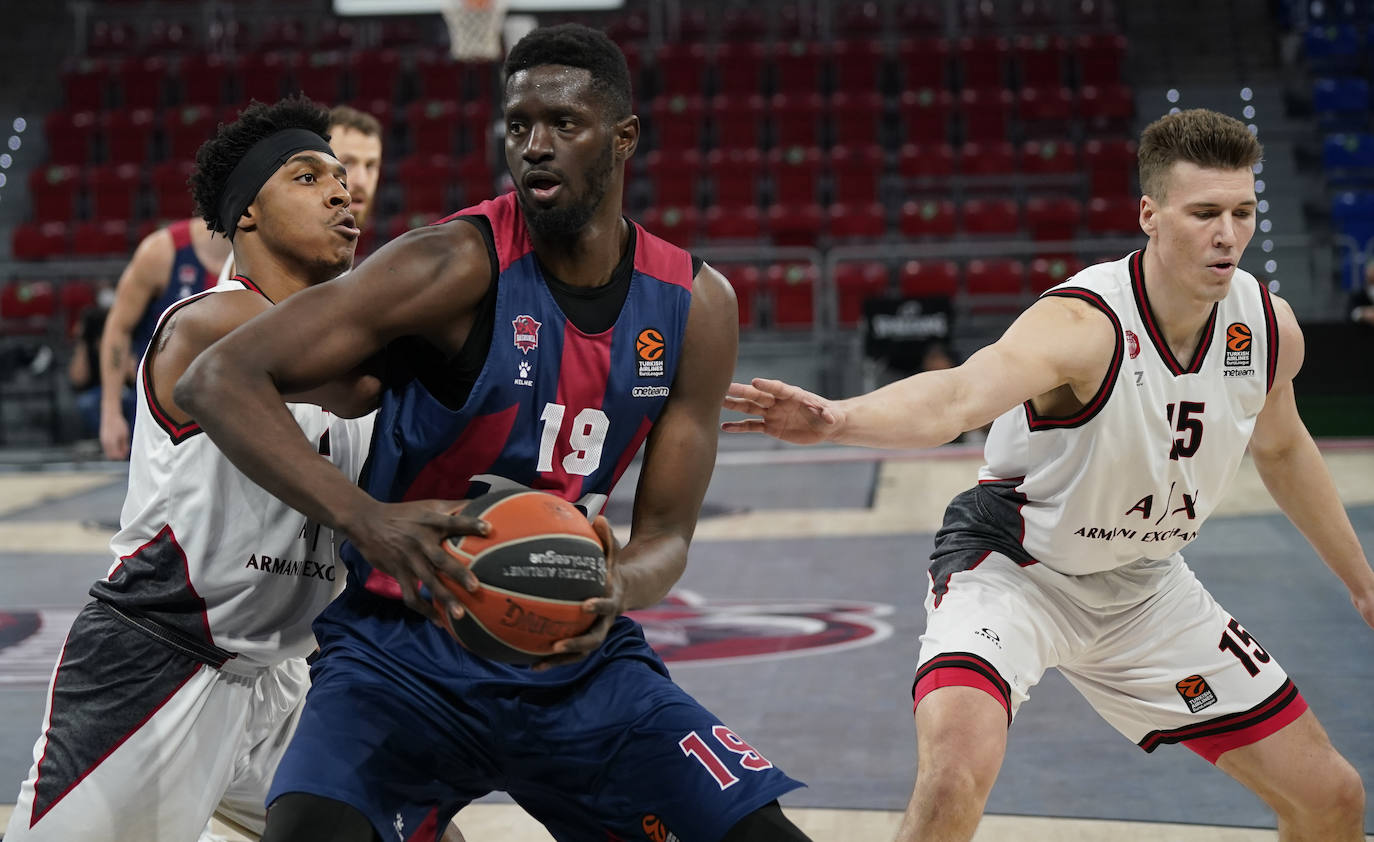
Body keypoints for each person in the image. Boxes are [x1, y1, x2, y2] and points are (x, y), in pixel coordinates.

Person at [177, 25, 811, 842]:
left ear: (623, 140)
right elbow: (218, 378)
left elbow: (666, 537)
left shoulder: (695, 304)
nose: (535, 147)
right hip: (400, 655)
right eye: (519, 126)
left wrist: (613, 588)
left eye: (563, 125)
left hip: (576, 662)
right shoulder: (450, 262)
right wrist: (364, 518)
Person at [723, 108, 1373, 842]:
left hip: (1146, 588)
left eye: (1242, 212)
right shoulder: (1083, 323)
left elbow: (1282, 448)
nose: (1228, 235)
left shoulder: (1264, 325)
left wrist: (1362, 581)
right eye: (1204, 213)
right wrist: (839, 419)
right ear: (1150, 215)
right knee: (953, 774)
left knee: (1332, 798)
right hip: (1015, 570)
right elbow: (958, 396)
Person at [5, 95, 380, 842]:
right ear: (247, 214)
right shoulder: (206, 324)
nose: (344, 191)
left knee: (406, 829)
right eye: (309, 177)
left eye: (347, 177)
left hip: (283, 682)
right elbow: (360, 377)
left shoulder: (362, 346)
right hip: (153, 668)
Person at [98, 215, 229, 459]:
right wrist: (111, 412)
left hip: (235, 417)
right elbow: (118, 328)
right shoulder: (161, 252)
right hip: (167, 425)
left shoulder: (270, 254)